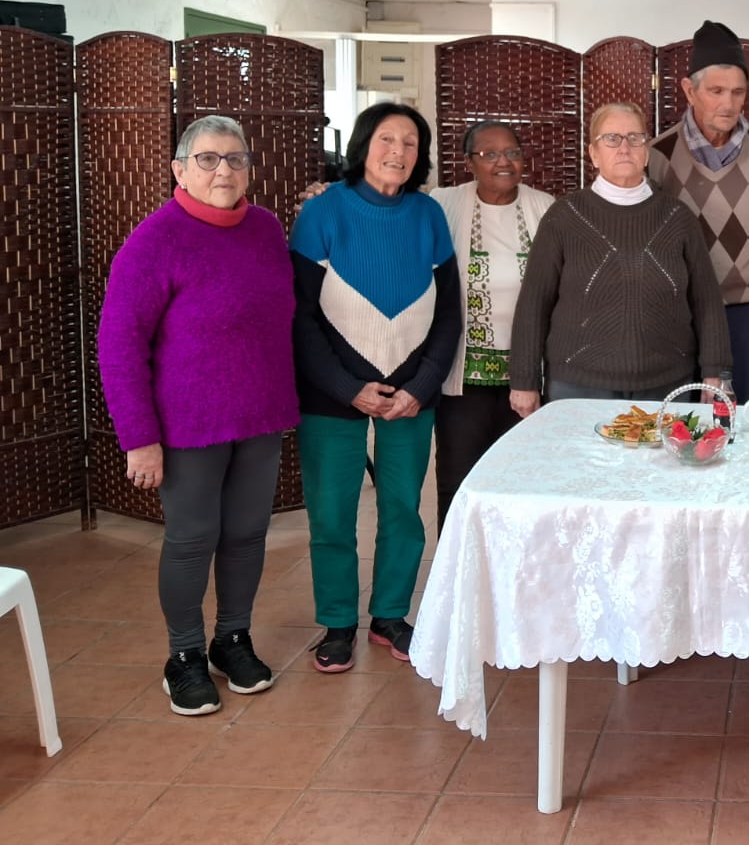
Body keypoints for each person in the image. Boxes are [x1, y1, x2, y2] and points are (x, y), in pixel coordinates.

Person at [97, 115, 298, 715]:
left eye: (235, 159)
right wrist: (139, 439)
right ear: (180, 169)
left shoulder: (264, 229)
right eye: (208, 159)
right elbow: (119, 344)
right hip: (186, 425)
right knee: (190, 540)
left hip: (259, 416)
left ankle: (231, 638)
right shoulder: (155, 239)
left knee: (245, 536)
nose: (224, 171)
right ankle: (183, 655)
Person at [290, 102, 461, 674]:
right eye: (387, 139)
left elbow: (448, 315)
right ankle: (338, 622)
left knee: (403, 511)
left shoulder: (429, 214)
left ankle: (390, 615)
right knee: (333, 513)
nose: (398, 152)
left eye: (410, 143)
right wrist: (347, 388)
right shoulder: (321, 213)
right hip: (330, 395)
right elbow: (302, 318)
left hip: (412, 392)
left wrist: (422, 385)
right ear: (363, 145)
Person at [510, 102, 731, 409]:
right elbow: (534, 302)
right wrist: (524, 380)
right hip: (578, 386)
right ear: (593, 153)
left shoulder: (677, 217)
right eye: (611, 138)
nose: (624, 147)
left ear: (647, 151)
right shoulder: (564, 217)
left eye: (634, 138)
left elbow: (706, 300)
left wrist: (715, 371)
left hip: (667, 385)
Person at [649, 21, 749, 401]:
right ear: (689, 90)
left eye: (737, 92)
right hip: (682, 313)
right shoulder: (658, 156)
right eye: (716, 91)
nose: (728, 103)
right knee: (684, 424)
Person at [429, 121, 554, 531]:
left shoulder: (546, 208)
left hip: (529, 378)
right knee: (459, 483)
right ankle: (457, 580)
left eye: (513, 152)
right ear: (468, 163)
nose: (504, 162)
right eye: (489, 154)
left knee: (523, 484)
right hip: (464, 378)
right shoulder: (443, 204)